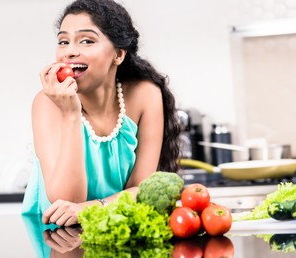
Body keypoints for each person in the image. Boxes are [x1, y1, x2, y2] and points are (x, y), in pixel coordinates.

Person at [22, 0, 180, 226]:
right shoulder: (47, 103)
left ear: (118, 54)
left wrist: (93, 208)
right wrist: (70, 115)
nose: (70, 51)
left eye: (86, 41)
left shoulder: (145, 95)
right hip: (57, 235)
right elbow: (66, 201)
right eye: (63, 41)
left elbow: (142, 190)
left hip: (118, 225)